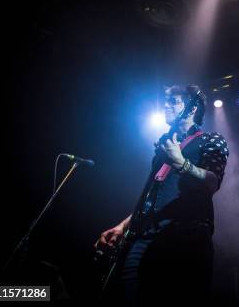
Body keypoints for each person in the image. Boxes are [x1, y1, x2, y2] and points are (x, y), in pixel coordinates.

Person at [96, 85, 228, 304]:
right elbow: (153, 194)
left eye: (174, 102)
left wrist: (183, 164)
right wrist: (123, 226)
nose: (167, 106)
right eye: (166, 101)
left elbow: (213, 182)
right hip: (147, 233)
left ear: (193, 108)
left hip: (186, 234)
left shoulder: (211, 139)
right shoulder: (165, 146)